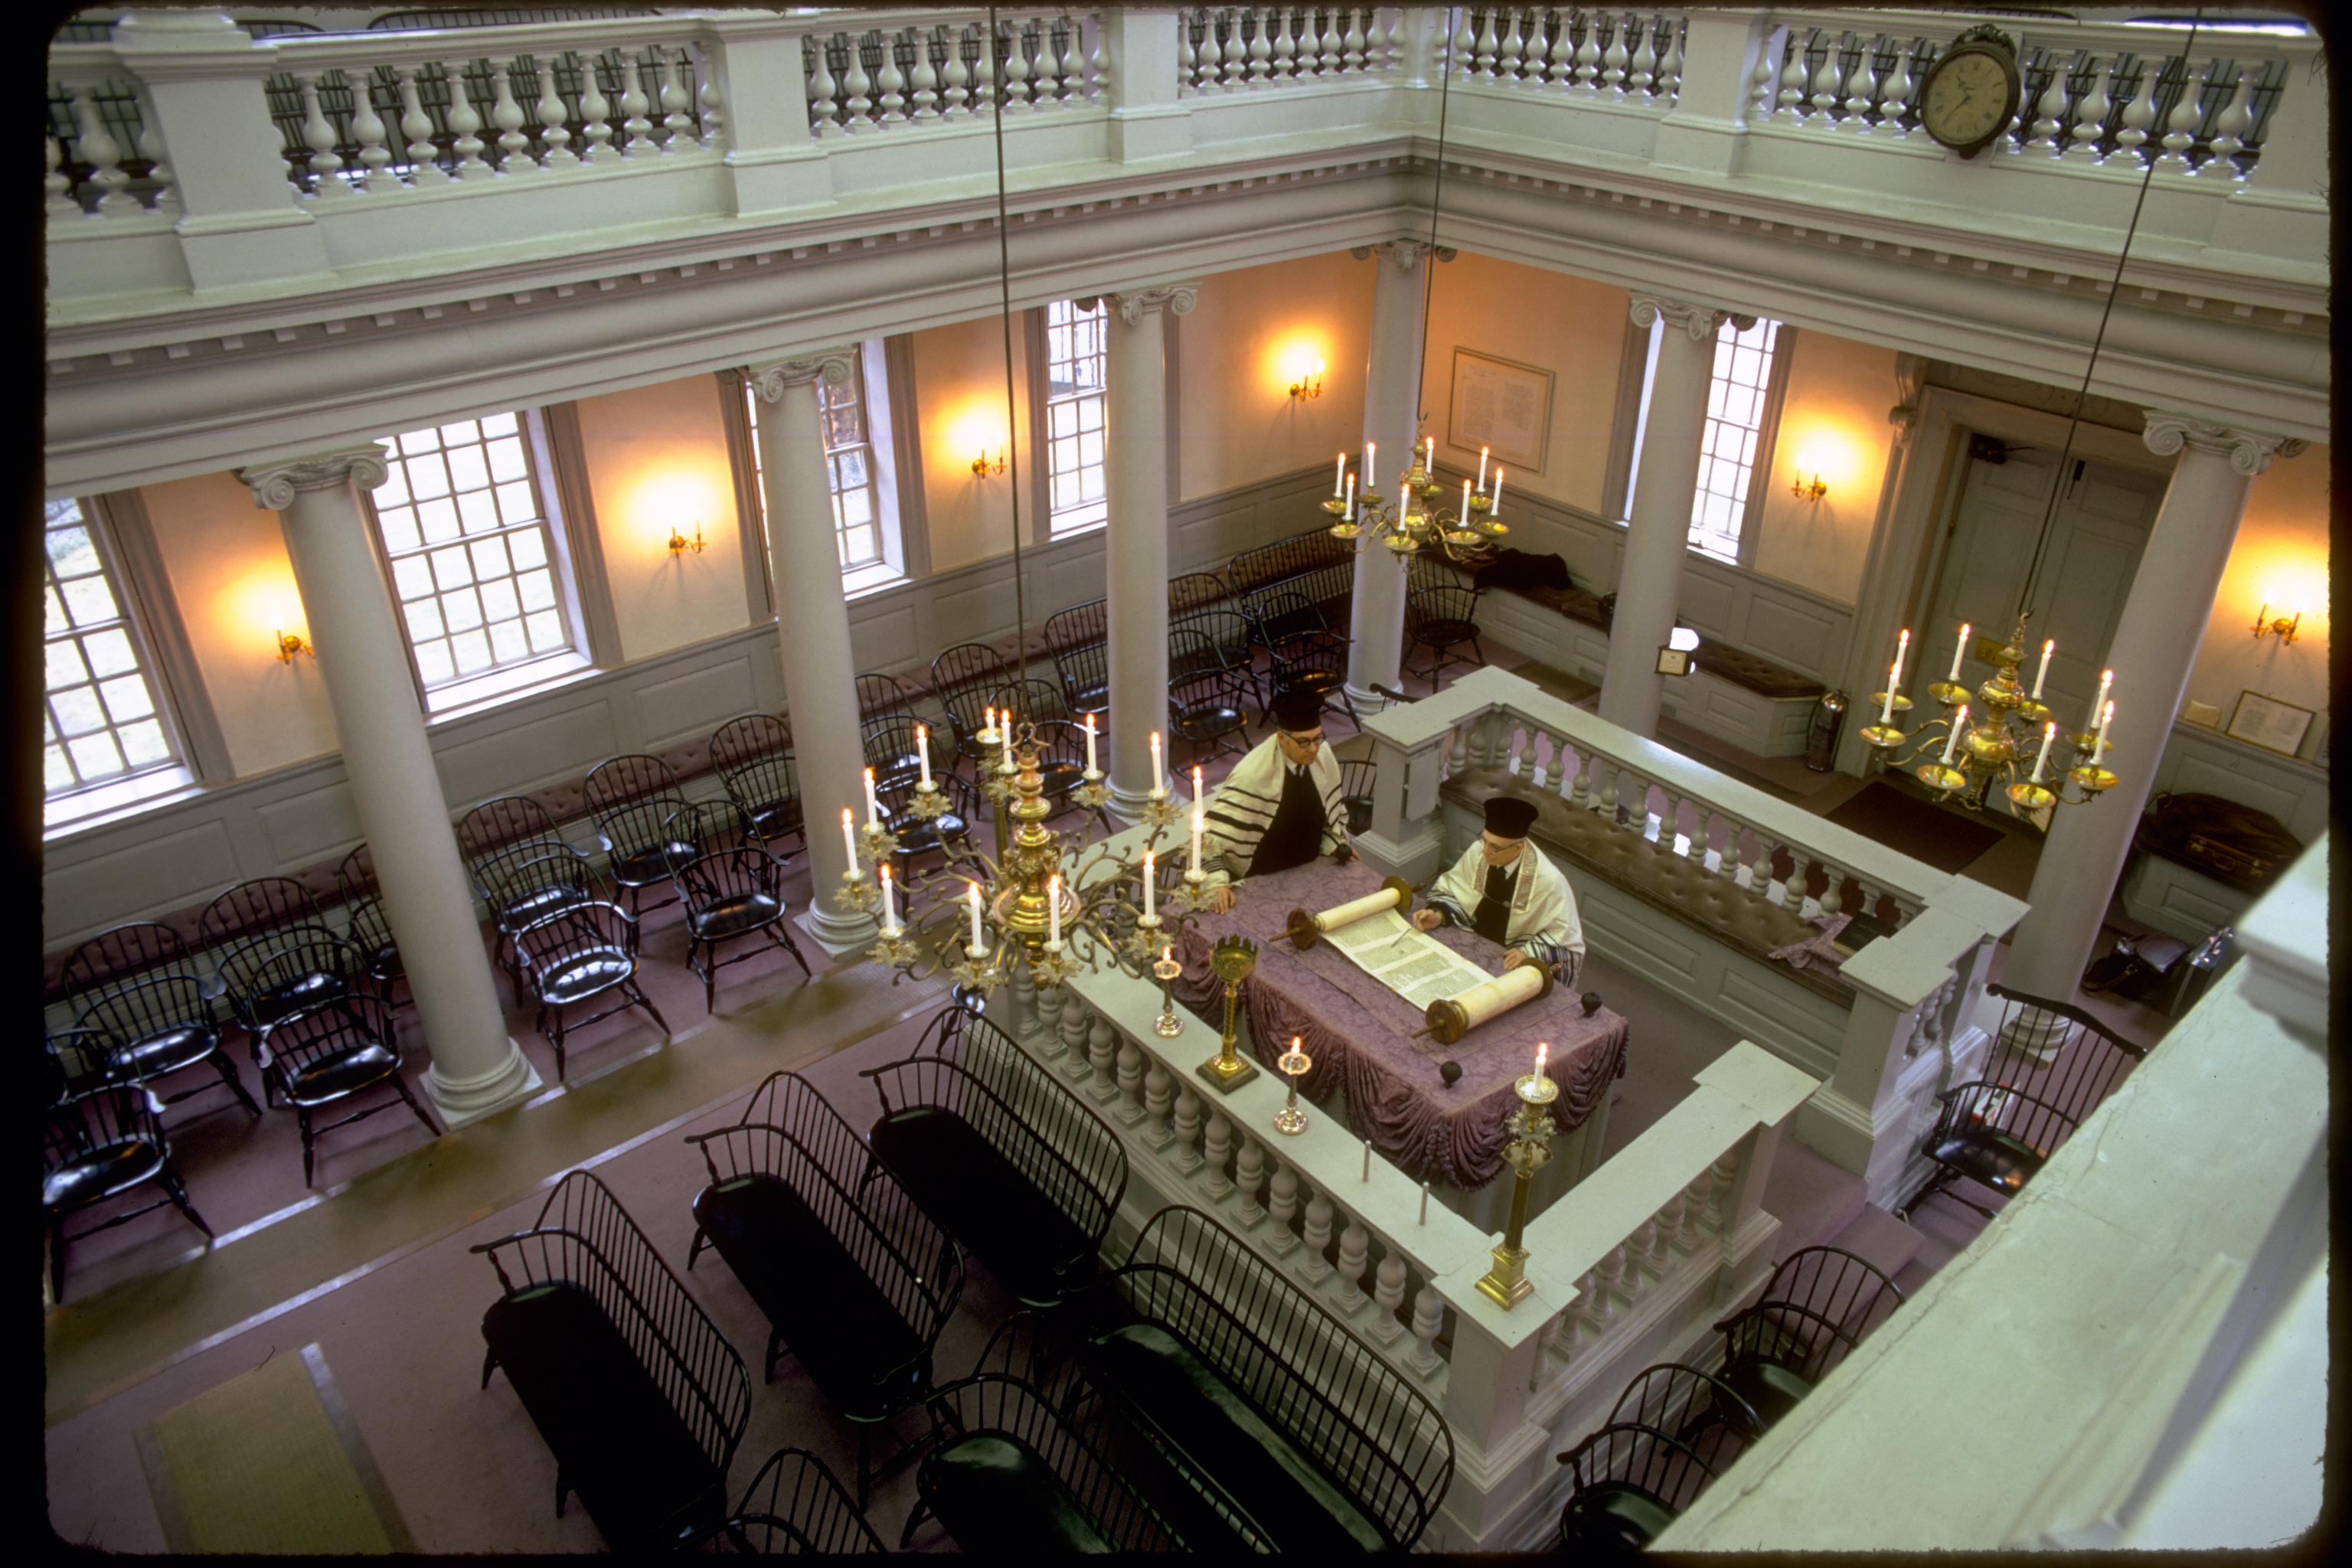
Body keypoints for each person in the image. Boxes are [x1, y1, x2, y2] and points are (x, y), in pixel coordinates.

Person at [1197, 685, 1351, 913]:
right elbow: (1206, 840)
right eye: (1304, 742)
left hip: (1311, 870)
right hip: (1262, 881)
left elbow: (1326, 817)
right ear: (1281, 738)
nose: (1314, 749)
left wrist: (1335, 843)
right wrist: (1217, 883)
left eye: (1318, 738)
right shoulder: (1252, 774)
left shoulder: (1322, 753)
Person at [1414, 794, 1583, 983]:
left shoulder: (1549, 881)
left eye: (1494, 847)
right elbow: (1453, 889)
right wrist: (1439, 914)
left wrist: (1528, 953)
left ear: (1518, 849)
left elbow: (1565, 939)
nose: (1485, 851)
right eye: (1484, 840)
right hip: (1469, 937)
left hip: (1507, 957)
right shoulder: (1480, 851)